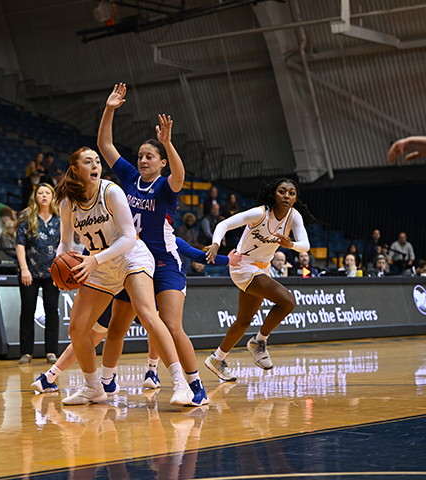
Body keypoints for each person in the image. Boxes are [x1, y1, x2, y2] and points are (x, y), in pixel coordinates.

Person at [54, 145, 194, 407]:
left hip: (131, 256)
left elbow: (130, 238)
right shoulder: (67, 203)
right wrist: (60, 263)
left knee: (147, 313)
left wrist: (94, 259)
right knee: (77, 328)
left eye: (97, 161)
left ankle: (180, 384)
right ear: (75, 170)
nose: (96, 165)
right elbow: (65, 243)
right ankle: (93, 387)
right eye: (88, 162)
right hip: (100, 263)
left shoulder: (112, 191)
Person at [97, 83, 208, 405]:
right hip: (132, 262)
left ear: (161, 162)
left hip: (164, 263)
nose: (143, 160)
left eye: (150, 157)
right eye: (141, 156)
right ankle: (105, 383)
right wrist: (110, 109)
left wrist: (168, 144)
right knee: (116, 326)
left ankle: (195, 386)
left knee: (172, 325)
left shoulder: (164, 187)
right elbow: (105, 144)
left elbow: (180, 175)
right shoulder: (130, 178)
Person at [31, 237, 240, 394]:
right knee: (108, 332)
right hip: (118, 282)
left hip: (141, 278)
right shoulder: (112, 229)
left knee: (149, 326)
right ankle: (68, 377)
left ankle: (150, 370)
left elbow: (196, 254)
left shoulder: (163, 235)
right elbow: (89, 251)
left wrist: (227, 259)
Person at [204, 177, 314, 382]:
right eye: (282, 191)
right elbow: (224, 224)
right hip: (242, 265)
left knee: (244, 320)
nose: (287, 196)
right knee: (288, 301)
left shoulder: (293, 216)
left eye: (291, 193)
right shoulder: (260, 213)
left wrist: (291, 245)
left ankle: (217, 358)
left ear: (295, 198)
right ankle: (259, 342)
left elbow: (305, 244)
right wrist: (216, 244)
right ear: (274, 194)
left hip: (263, 268)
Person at [15, 183, 60, 365]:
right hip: (30, 272)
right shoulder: (26, 215)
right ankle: (26, 352)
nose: (43, 195)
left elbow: (64, 243)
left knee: (52, 310)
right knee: (27, 310)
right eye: (40, 193)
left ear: (52, 196)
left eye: (47, 193)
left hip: (53, 272)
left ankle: (51, 351)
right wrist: (24, 268)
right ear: (35, 196)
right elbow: (20, 244)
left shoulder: (60, 217)